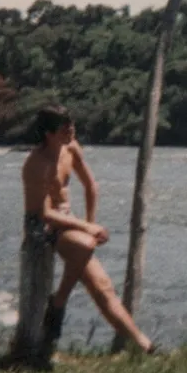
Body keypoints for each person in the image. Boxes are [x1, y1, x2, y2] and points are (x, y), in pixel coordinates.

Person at [22, 105, 155, 354]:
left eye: (71, 124)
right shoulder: (36, 164)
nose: (71, 129)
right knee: (85, 244)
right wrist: (87, 228)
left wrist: (90, 223)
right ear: (49, 133)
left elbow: (90, 186)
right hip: (41, 226)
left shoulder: (71, 148)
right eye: (64, 127)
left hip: (68, 222)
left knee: (103, 286)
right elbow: (43, 213)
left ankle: (145, 346)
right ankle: (59, 301)